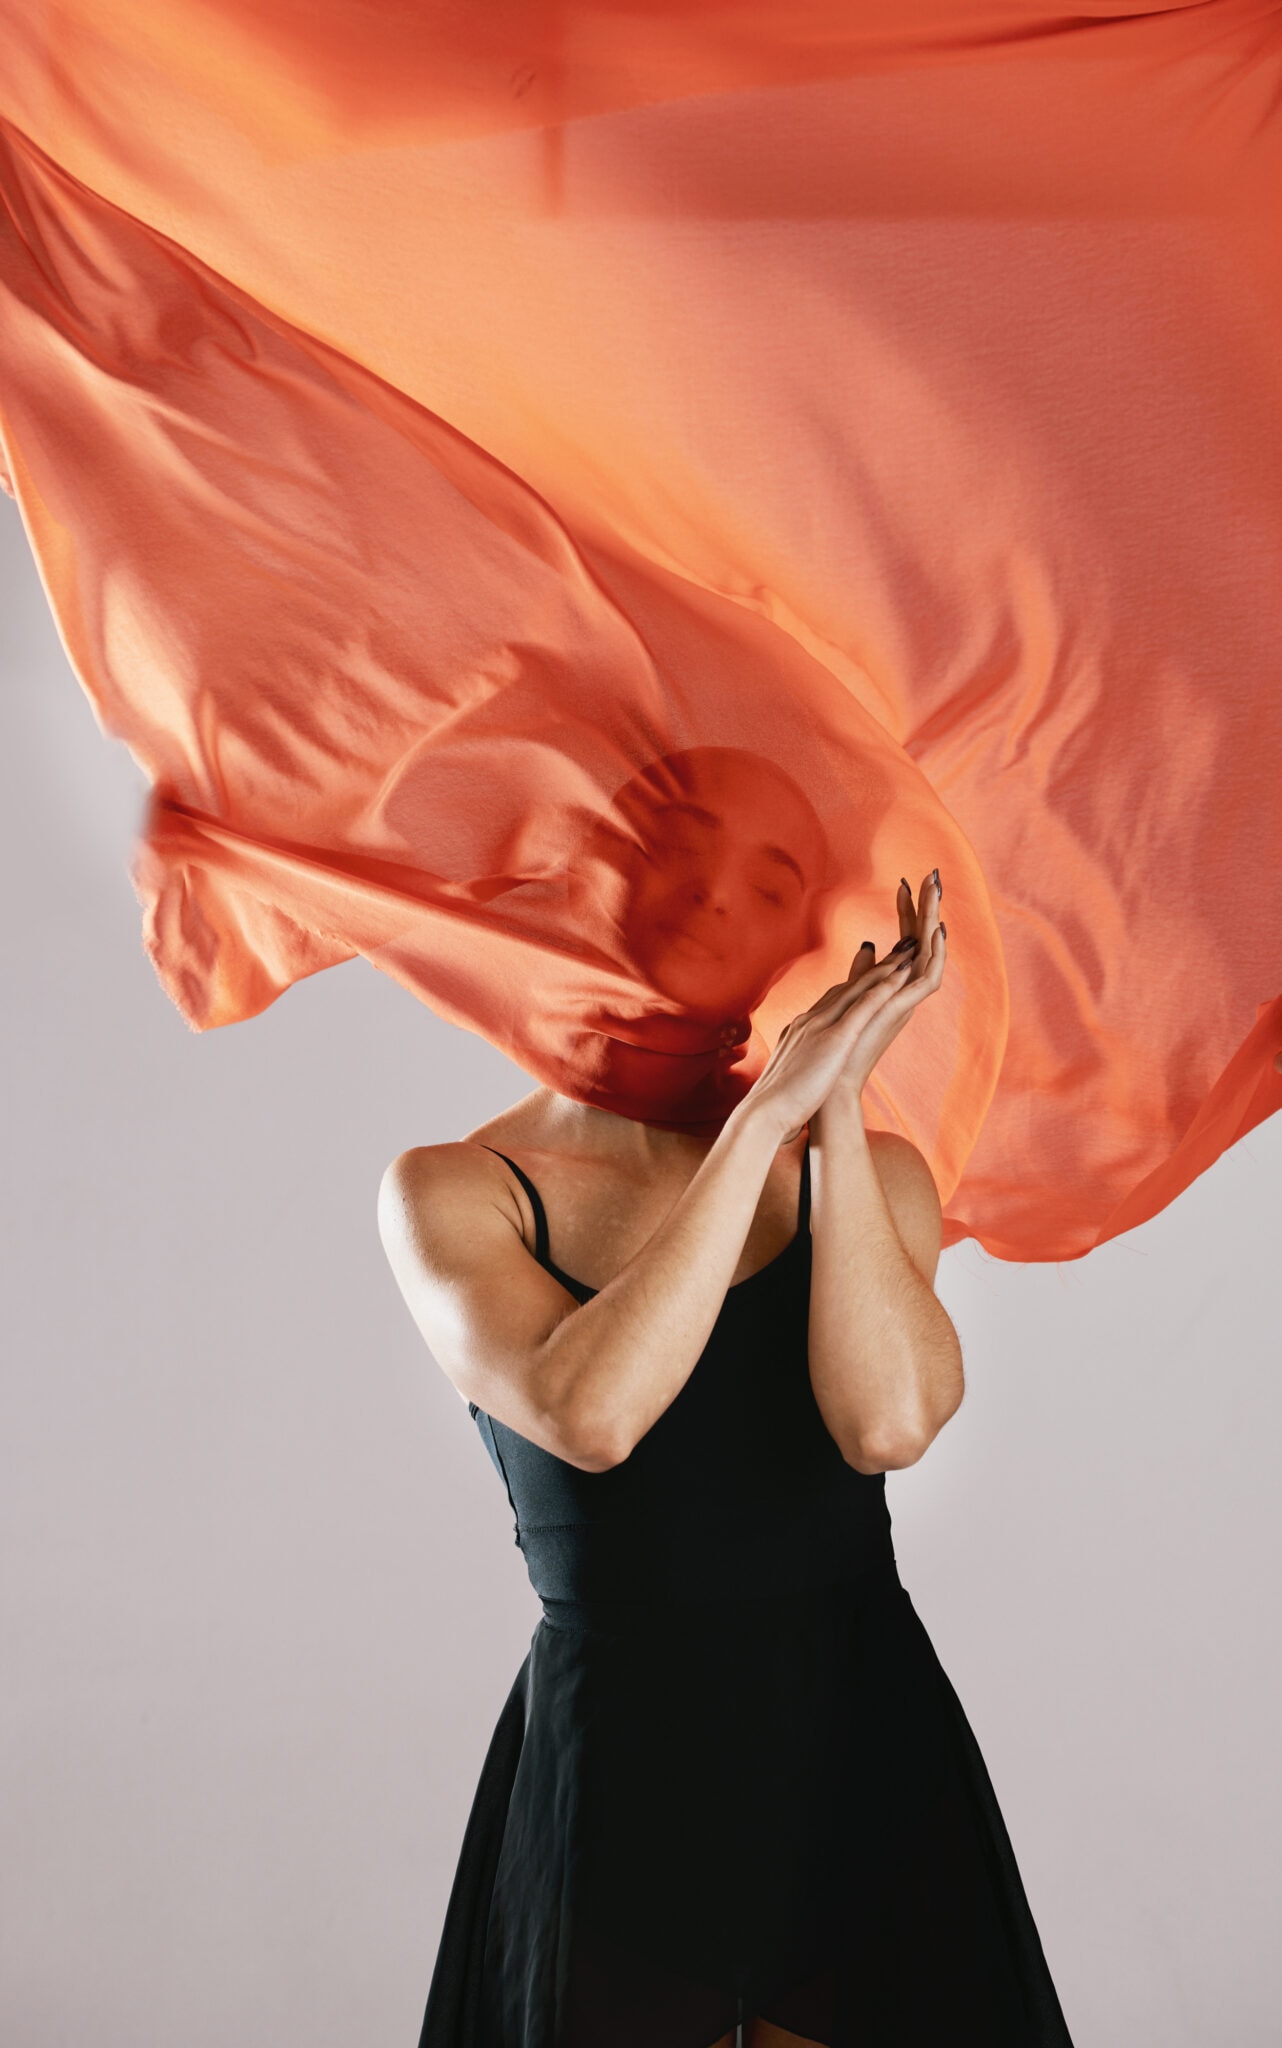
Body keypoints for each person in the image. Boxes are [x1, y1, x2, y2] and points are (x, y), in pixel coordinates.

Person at [379, 868, 1077, 2047]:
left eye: (760, 887)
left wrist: (833, 1107)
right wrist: (758, 1125)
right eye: (674, 875)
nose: (710, 915)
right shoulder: (454, 1188)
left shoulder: (870, 1171)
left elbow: (888, 1425)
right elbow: (592, 1413)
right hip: (620, 1765)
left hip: (854, 1740)